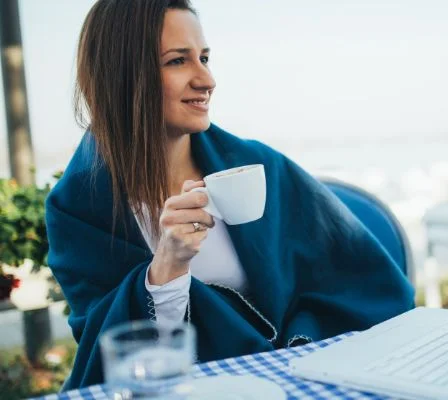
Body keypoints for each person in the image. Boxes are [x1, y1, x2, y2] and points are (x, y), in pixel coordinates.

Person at [46, 0, 414, 389]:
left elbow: (361, 274)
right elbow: (108, 349)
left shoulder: (260, 166)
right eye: (177, 61)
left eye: (204, 57)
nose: (206, 80)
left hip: (290, 377)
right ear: (122, 76)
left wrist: (298, 350)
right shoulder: (77, 208)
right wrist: (165, 270)